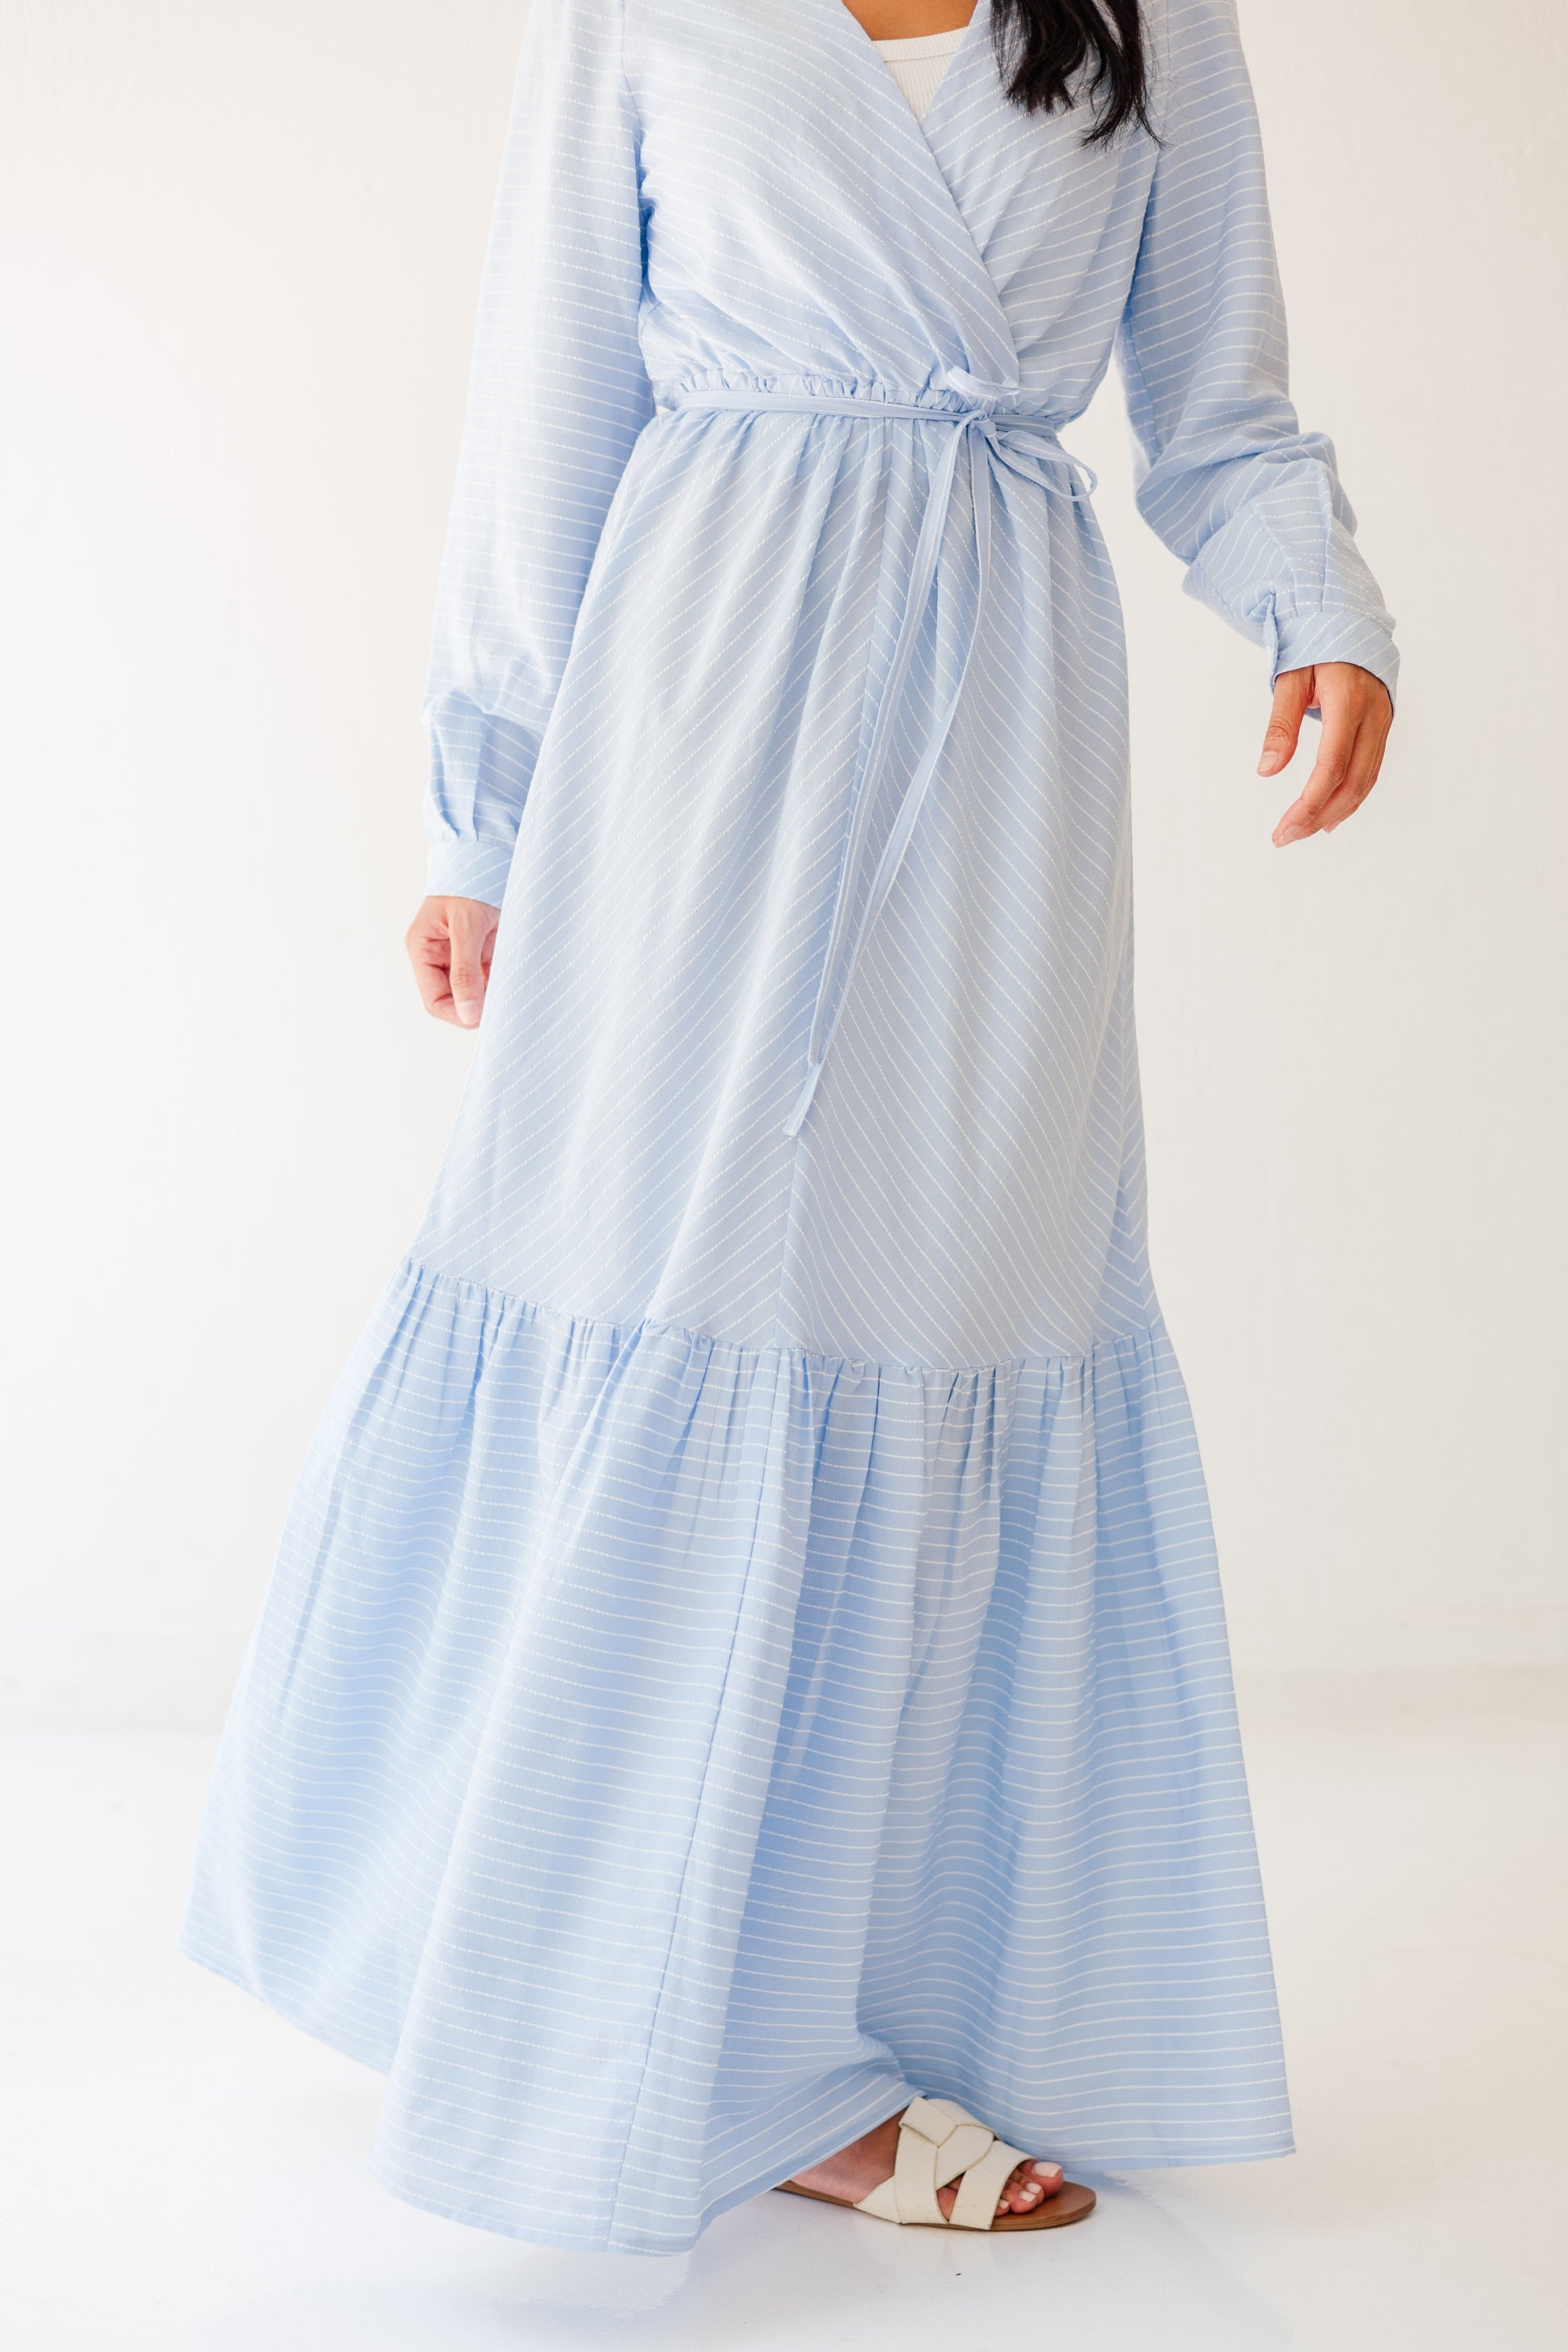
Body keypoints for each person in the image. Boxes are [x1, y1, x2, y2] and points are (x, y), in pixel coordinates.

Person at [181, 0, 1396, 2254]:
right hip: (692, 710)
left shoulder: (1150, 15)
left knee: (936, 1320)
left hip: (1000, 731)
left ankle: (825, 2006)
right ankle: (598, 1991)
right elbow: (547, 407)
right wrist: (480, 815)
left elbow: (1217, 401)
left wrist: (1315, 606)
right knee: (649, 1298)